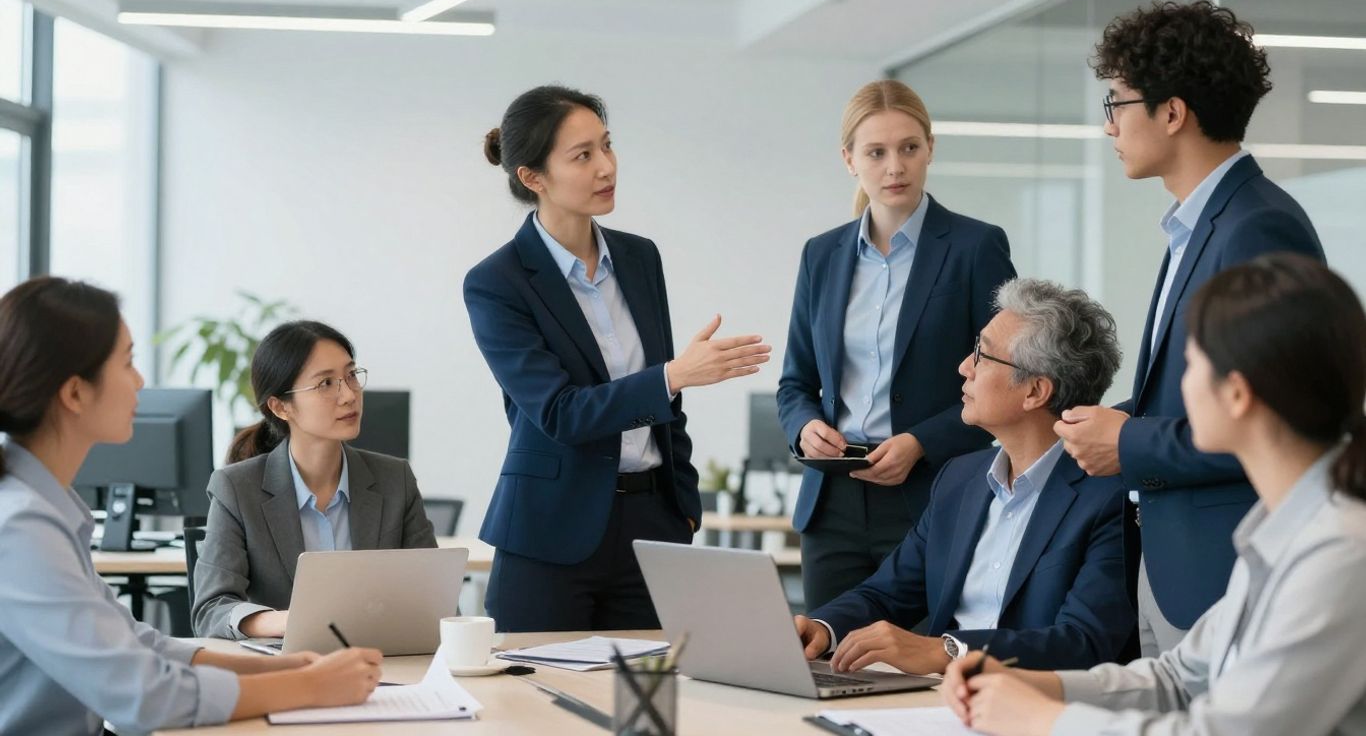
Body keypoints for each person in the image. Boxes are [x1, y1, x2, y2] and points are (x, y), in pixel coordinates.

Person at [946, 253, 1366, 735]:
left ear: (1236, 394)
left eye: (1189, 365)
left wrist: (1043, 718)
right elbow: (1178, 677)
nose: (1168, 395)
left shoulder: (1340, 552)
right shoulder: (1281, 531)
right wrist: (1038, 686)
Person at [1053, 1, 1324, 654]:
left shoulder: (1256, 226)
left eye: (1116, 103)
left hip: (1222, 574)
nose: (1109, 126)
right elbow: (1188, 395)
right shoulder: (1197, 225)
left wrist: (1130, 442)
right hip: (1173, 566)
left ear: (1172, 113)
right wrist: (1098, 425)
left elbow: (1281, 422)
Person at [0, 277, 382, 735]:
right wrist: (312, 687)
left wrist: (283, 670)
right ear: (75, 392)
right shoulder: (20, 527)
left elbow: (138, 643)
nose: (141, 380)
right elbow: (146, 697)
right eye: (128, 362)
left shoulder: (50, 508)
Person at [463, 85, 770, 631]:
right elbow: (561, 413)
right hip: (551, 532)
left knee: (651, 705)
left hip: (654, 525)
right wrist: (674, 375)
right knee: (535, 710)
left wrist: (684, 501)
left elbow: (663, 407)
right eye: (583, 156)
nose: (607, 166)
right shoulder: (497, 282)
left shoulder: (638, 257)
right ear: (534, 178)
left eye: (607, 146)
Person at [792, 278, 1132, 674]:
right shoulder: (959, 479)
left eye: (982, 355)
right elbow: (887, 592)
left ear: (1035, 392)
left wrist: (948, 651)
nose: (964, 366)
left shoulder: (1111, 496)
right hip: (935, 702)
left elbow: (1083, 642)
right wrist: (822, 627)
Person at [778, 79, 1017, 611]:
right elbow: (795, 381)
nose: (895, 167)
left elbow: (1004, 381)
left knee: (912, 670)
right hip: (832, 502)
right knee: (825, 661)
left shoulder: (975, 247)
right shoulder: (822, 255)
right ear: (849, 160)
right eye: (876, 152)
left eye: (909, 148)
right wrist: (803, 427)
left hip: (927, 495)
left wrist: (920, 443)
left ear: (930, 148)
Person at [193, 320, 437, 639]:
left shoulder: (395, 479)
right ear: (281, 407)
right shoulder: (237, 489)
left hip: (383, 664)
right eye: (325, 384)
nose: (349, 395)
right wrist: (289, 621)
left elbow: (435, 601)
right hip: (287, 670)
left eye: (351, 375)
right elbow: (211, 609)